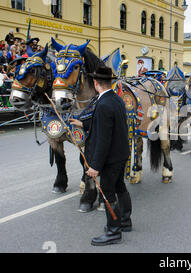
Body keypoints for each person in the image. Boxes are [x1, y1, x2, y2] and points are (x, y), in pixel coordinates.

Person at [70, 66, 132, 246]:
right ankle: (125, 222)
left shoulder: (103, 104)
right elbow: (106, 124)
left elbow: (104, 138)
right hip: (121, 154)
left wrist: (95, 166)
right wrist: (83, 123)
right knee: (120, 187)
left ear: (96, 83)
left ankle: (113, 232)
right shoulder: (116, 99)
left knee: (108, 192)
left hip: (111, 158)